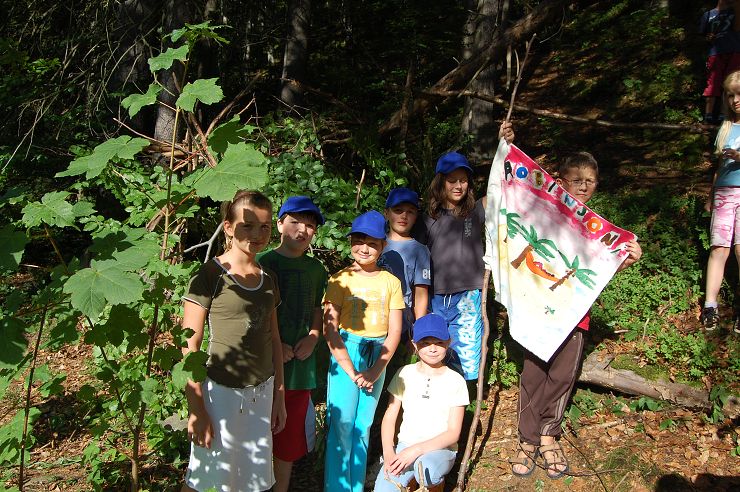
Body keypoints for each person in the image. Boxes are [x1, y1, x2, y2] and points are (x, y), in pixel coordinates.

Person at [509, 152, 642, 480]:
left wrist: (626, 261)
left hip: (575, 316)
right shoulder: (543, 211)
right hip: (537, 310)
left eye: (590, 181)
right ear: (560, 180)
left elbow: (597, 273)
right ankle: (527, 438)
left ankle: (548, 435)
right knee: (533, 373)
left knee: (562, 376)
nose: (583, 187)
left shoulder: (598, 229)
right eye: (577, 180)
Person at [180, 190, 287, 492]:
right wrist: (197, 409)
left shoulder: (268, 278)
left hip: (261, 393)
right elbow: (189, 345)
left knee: (251, 479)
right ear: (228, 227)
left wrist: (279, 396)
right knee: (206, 479)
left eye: (264, 226)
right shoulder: (210, 275)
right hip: (221, 394)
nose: (257, 234)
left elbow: (274, 338)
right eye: (247, 225)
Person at [415, 123, 515, 382]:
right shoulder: (427, 219)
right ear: (440, 182)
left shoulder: (476, 211)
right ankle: (436, 399)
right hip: (436, 296)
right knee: (435, 353)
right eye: (452, 180)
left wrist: (504, 147)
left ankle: (462, 399)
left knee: (468, 355)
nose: (458, 185)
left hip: (470, 294)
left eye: (463, 180)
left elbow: (500, 188)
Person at [323, 210, 405, 492]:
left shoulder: (391, 282)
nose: (365, 248)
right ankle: (337, 487)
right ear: (350, 242)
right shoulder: (339, 279)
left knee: (363, 424)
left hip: (378, 355)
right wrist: (350, 370)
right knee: (342, 424)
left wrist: (375, 370)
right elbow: (330, 329)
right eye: (359, 241)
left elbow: (395, 331)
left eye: (372, 243)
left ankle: (355, 486)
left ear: (383, 246)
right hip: (346, 352)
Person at [257, 196, 328, 492]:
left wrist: (313, 336)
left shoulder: (316, 270)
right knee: (258, 436)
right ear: (279, 224)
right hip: (263, 370)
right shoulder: (262, 263)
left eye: (310, 226)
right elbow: (252, 315)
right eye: (295, 222)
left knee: (286, 442)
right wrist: (276, 346)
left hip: (299, 369)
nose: (302, 230)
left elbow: (316, 308)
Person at [373, 313, 469, 492]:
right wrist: (388, 452)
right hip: (405, 445)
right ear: (415, 345)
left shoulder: (456, 381)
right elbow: (390, 417)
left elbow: (453, 433)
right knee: (384, 488)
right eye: (425, 343)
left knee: (426, 471)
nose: (433, 349)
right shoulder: (404, 373)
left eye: (439, 342)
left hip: (440, 449)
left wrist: (416, 450)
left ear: (448, 343)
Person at [702, 69, 740, 334]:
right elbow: (719, 166)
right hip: (724, 193)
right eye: (730, 95)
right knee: (719, 249)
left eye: (739, 94)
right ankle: (710, 306)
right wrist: (711, 194)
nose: (735, 100)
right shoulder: (726, 127)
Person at [379, 187, 431, 344]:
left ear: (416, 217)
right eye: (398, 210)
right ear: (386, 213)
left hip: (402, 319)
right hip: (373, 314)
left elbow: (421, 293)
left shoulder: (420, 250)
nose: (404, 216)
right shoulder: (374, 244)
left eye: (410, 212)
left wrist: (419, 330)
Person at [699, 0, 740, 124]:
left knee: (730, 82)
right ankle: (708, 115)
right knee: (713, 82)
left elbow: (737, 28)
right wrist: (708, 38)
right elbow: (702, 36)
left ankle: (725, 114)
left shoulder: (735, 11)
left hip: (735, 51)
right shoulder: (708, 15)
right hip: (715, 53)